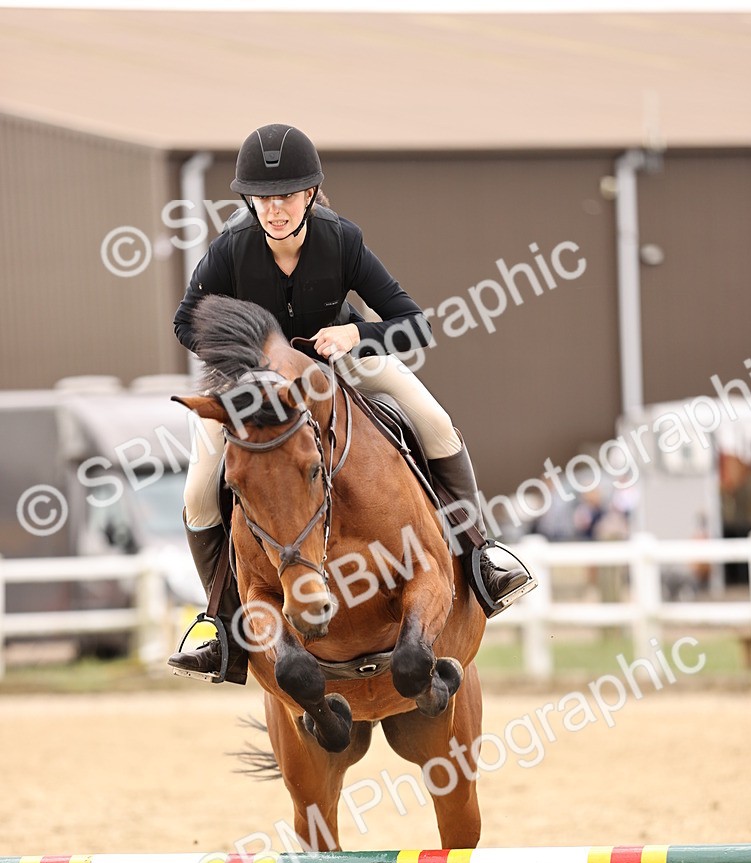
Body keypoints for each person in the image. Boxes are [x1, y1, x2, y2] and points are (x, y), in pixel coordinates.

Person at [169, 123, 532, 684]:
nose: (275, 209)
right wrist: (249, 359)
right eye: (263, 198)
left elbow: (415, 324)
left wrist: (357, 335)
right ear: (249, 200)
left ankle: (479, 556)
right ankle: (223, 628)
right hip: (255, 387)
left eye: (287, 196)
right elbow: (185, 322)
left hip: (343, 362)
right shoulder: (230, 249)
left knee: (435, 421)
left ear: (310, 194)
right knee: (198, 492)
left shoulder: (342, 240)